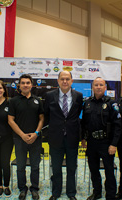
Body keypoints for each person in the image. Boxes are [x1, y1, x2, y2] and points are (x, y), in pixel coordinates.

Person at [44, 71, 83, 200]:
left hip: (72, 137)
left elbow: (77, 115)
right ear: (58, 80)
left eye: (67, 79)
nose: (65, 81)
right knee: (56, 167)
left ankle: (71, 193)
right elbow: (46, 116)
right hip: (55, 138)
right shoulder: (49, 96)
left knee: (72, 167)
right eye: (62, 79)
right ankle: (56, 192)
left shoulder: (78, 96)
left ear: (72, 81)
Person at [81, 77, 121, 200]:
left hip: (106, 142)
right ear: (92, 87)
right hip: (92, 142)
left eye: (101, 85)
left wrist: (114, 144)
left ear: (105, 87)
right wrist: (83, 138)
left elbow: (117, 125)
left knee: (109, 170)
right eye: (96, 85)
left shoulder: (111, 103)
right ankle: (97, 192)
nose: (98, 87)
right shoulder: (87, 103)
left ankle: (110, 194)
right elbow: (84, 123)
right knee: (93, 169)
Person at [8, 74, 44, 200]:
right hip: (19, 139)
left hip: (35, 139)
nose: (25, 85)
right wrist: (22, 135)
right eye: (23, 83)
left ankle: (34, 188)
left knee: (35, 166)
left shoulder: (37, 100)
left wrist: (36, 133)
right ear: (19, 85)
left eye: (27, 83)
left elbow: (41, 119)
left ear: (31, 85)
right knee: (21, 167)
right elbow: (10, 120)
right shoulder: (13, 101)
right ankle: (22, 189)